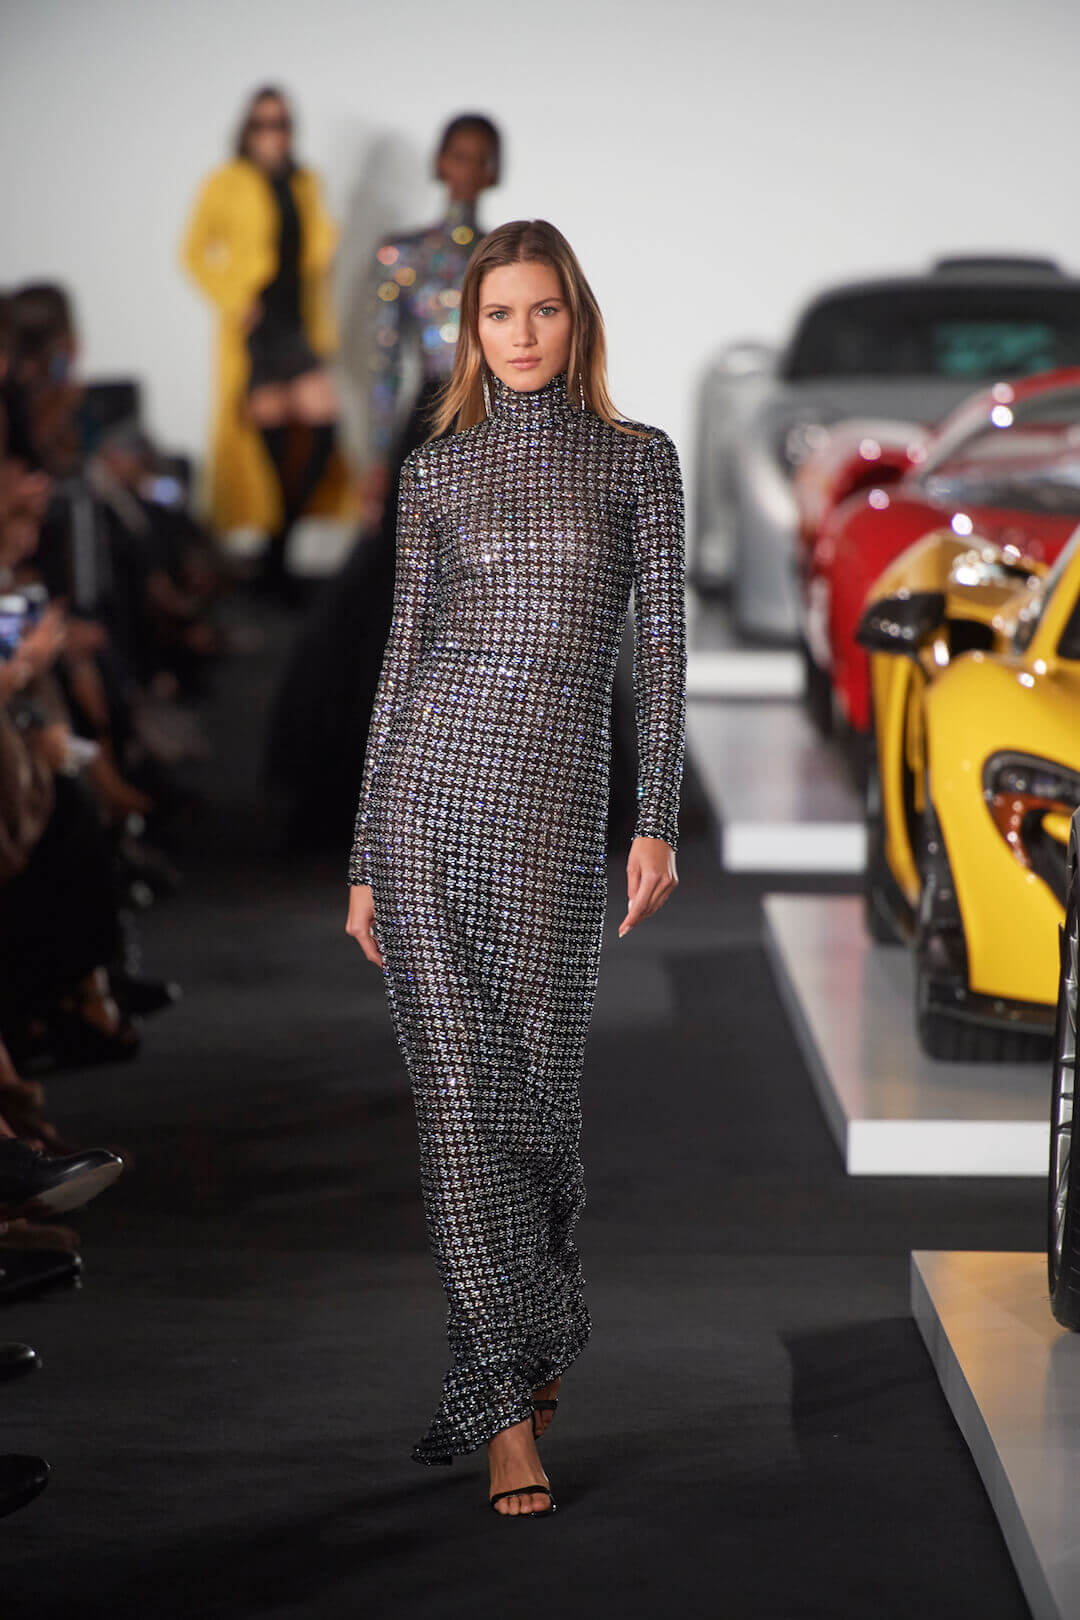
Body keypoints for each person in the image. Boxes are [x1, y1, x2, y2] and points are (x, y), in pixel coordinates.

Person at [345, 219, 687, 1517]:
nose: (523, 334)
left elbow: (662, 651)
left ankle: (527, 1332)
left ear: (575, 319)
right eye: (499, 314)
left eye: (543, 310)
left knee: (537, 1108)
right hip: (427, 800)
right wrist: (367, 850)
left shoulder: (637, 462)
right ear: (470, 331)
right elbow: (400, 664)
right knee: (457, 1106)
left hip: (553, 814)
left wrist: (656, 818)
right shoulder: (436, 472)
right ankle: (502, 1409)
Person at [261, 112, 501, 848]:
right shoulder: (406, 254)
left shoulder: (509, 255)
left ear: (494, 170)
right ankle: (379, 780)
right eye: (457, 155)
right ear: (440, 164)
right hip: (426, 428)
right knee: (399, 589)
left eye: (480, 158)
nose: (467, 169)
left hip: (491, 426)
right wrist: (373, 466)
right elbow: (385, 371)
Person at [180, 85, 353, 597]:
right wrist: (234, 299)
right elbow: (193, 252)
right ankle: (275, 568)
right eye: (262, 123)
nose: (272, 134)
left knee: (320, 432)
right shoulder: (225, 182)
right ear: (246, 129)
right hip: (255, 332)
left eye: (281, 123)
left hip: (297, 324)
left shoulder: (305, 182)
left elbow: (315, 253)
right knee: (271, 453)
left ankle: (276, 555)